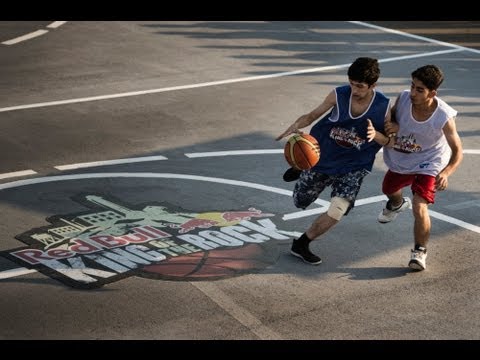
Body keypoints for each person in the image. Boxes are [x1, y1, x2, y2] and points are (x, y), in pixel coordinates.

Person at [276, 57, 392, 265]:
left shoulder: (384, 106)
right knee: (300, 201)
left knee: (338, 209)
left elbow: (389, 142)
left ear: (373, 85)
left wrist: (375, 135)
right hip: (324, 157)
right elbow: (312, 116)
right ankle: (301, 168)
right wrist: (295, 125)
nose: (354, 89)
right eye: (352, 83)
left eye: (360, 86)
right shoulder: (339, 95)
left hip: (354, 166)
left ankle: (302, 243)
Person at [368, 64, 463, 271]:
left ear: (432, 93)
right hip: (403, 156)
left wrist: (446, 172)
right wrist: (393, 125)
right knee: (389, 189)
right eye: (412, 86)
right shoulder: (402, 98)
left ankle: (419, 251)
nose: (413, 92)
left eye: (419, 89)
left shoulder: (443, 116)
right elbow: (389, 119)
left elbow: (458, 151)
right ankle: (397, 203)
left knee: (420, 207)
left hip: (429, 161)